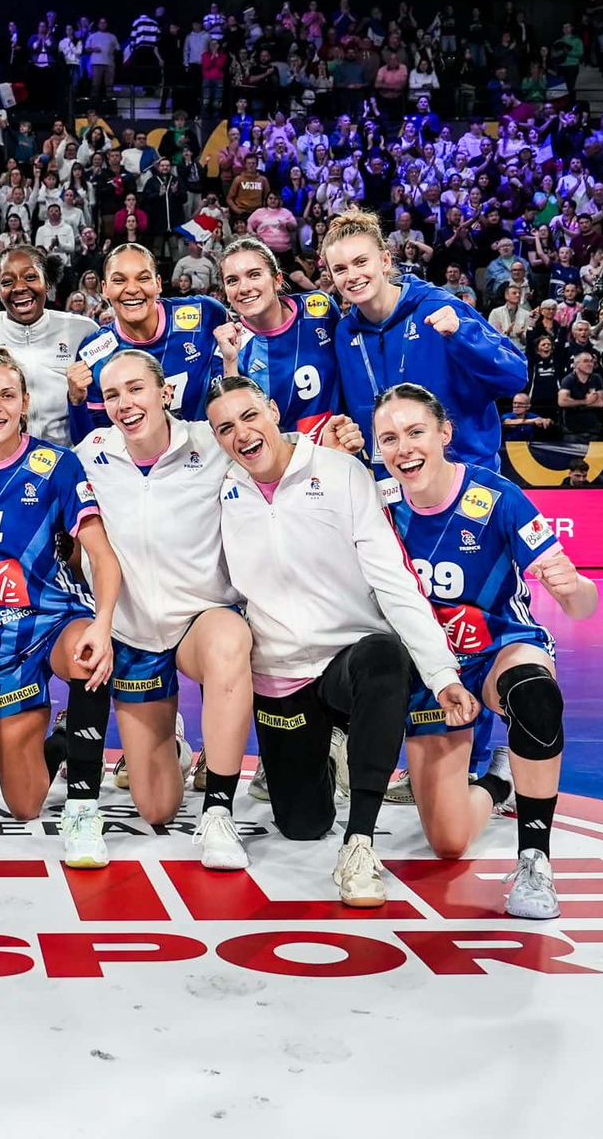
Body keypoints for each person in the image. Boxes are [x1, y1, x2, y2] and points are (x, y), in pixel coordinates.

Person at [207, 376, 461, 908]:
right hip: (278, 673)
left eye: (250, 417)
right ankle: (329, 751)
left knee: (386, 658)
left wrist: (442, 674)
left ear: (274, 411)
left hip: (348, 656)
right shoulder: (222, 488)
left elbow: (394, 577)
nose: (242, 434)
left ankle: (360, 844)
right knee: (302, 825)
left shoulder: (341, 472)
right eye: (224, 428)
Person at [374, 383, 597, 918]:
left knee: (536, 695)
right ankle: (498, 778)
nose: (403, 448)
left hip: (498, 651)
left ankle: (535, 861)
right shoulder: (375, 504)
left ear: (445, 433)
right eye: (389, 438)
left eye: (415, 432)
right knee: (448, 843)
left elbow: (584, 606)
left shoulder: (497, 498)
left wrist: (571, 588)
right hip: (429, 672)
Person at [0, 349, 122, 866]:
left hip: (59, 615)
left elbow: (102, 554)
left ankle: (84, 810)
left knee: (88, 658)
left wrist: (103, 624)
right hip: (2, 640)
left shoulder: (57, 463)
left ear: (24, 405)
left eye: (6, 395)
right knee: (23, 804)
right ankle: (62, 740)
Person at [80, 350, 256, 870]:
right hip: (132, 632)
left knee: (229, 642)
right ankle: (174, 750)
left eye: (136, 389)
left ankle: (220, 812)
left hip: (199, 620)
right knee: (156, 808)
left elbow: (274, 451)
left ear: (165, 393)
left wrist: (330, 443)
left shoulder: (210, 442)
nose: (125, 404)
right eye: (112, 395)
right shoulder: (91, 452)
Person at [321, 208, 527, 466]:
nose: (352, 276)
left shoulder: (438, 307)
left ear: (385, 261)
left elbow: (515, 377)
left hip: (465, 478)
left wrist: (464, 336)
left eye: (361, 262)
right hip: (396, 486)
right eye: (340, 269)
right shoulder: (344, 335)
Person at [69, 243, 227, 436]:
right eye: (119, 281)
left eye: (143, 278)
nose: (132, 289)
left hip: (210, 455)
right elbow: (92, 444)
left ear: (158, 284)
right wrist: (76, 402)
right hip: (139, 464)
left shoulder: (206, 313)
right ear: (105, 288)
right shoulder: (93, 354)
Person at [0, 245, 94, 445]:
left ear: (48, 282)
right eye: (7, 282)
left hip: (65, 461)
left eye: (31, 277)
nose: (19, 287)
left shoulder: (82, 330)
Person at [214, 237, 342, 435]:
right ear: (225, 292)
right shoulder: (230, 347)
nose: (244, 288)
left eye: (254, 275)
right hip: (284, 460)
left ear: (278, 280)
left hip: (341, 450)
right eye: (232, 280)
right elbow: (236, 425)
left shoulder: (319, 308)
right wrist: (230, 362)